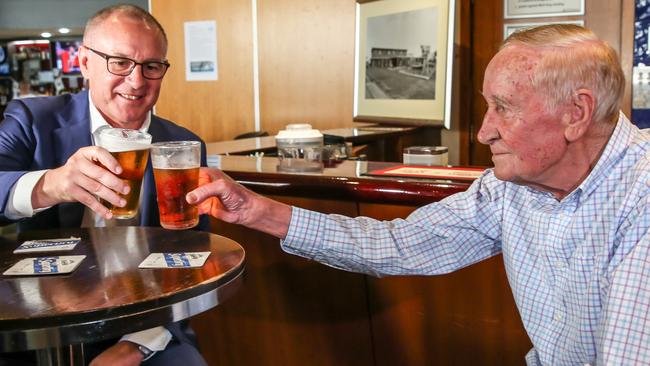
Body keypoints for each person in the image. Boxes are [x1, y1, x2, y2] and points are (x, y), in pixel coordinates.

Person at [186, 24, 650, 365]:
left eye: (503, 108)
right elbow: (399, 245)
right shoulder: (513, 188)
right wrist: (257, 210)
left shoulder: (641, 194)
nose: (485, 131)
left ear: (577, 112)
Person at [0, 4, 209, 366]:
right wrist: (50, 184)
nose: (136, 80)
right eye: (119, 62)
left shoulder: (184, 146)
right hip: (35, 325)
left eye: (151, 66)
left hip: (143, 323)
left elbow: (192, 259)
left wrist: (137, 345)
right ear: (84, 63)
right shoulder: (32, 121)